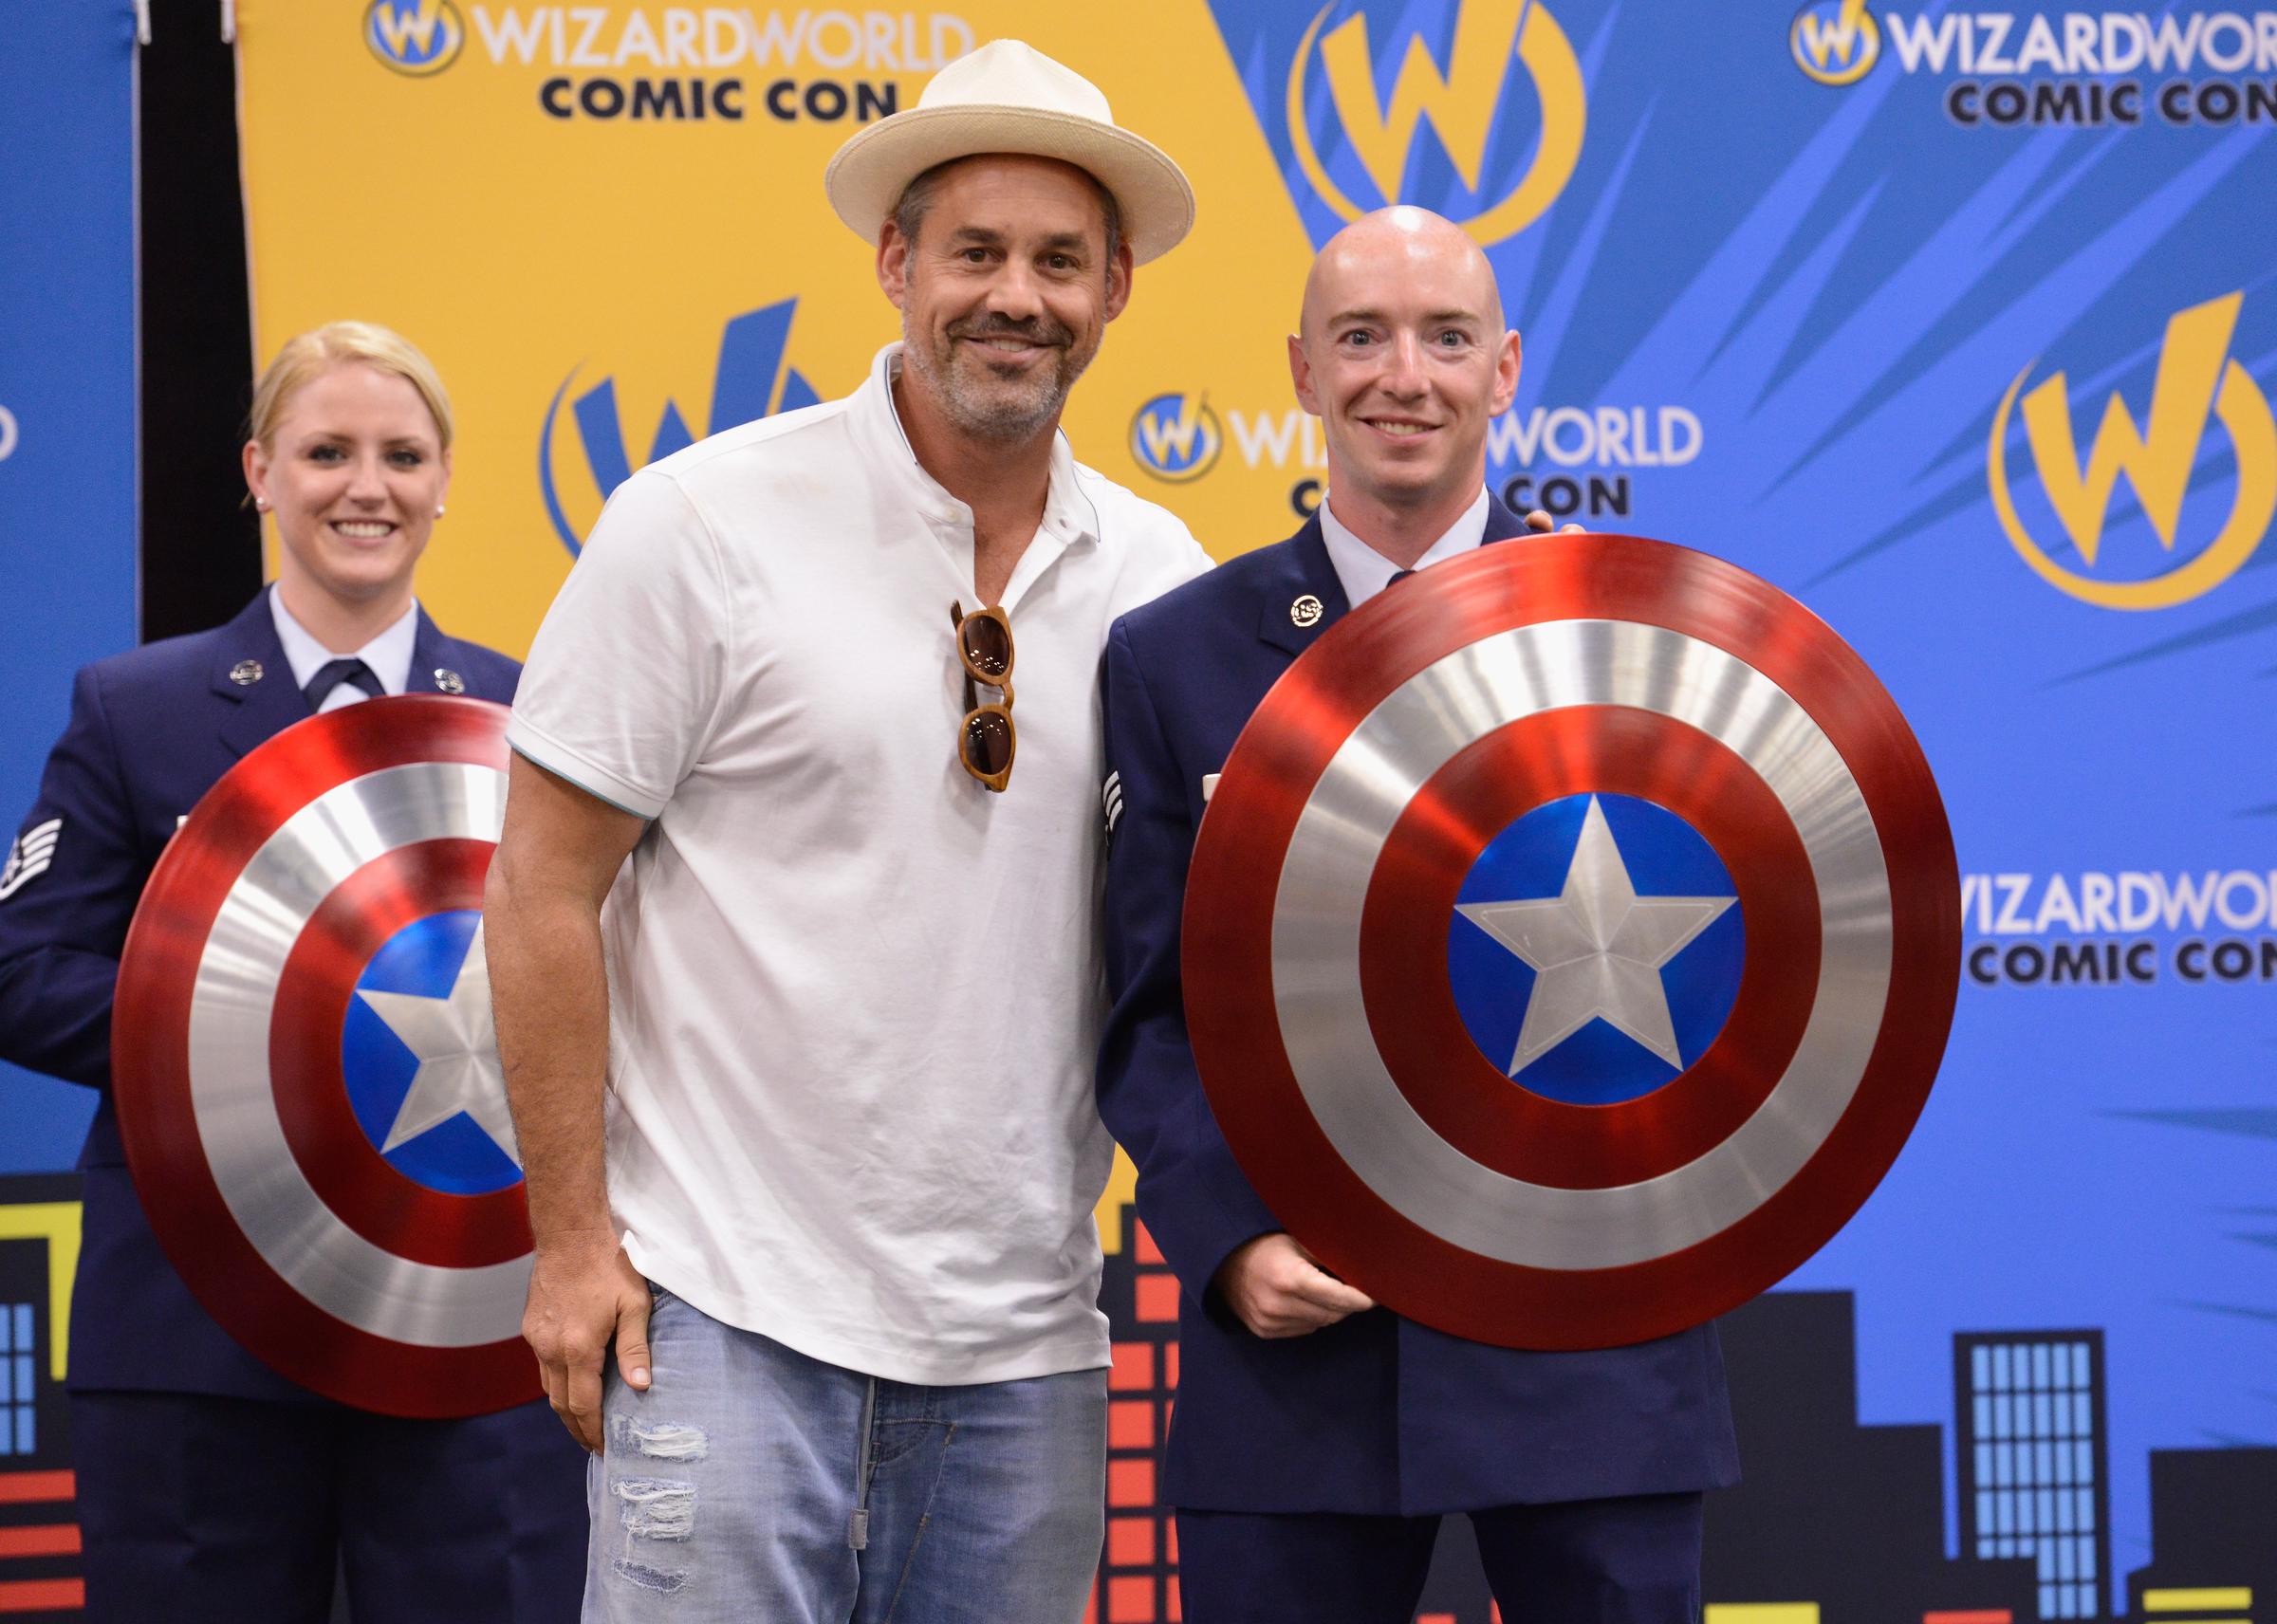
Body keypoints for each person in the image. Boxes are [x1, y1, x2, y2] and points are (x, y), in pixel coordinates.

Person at [481, 40, 1210, 1623]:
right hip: (718, 1319)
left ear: (1114, 291)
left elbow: (1192, 953)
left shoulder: (1163, 578)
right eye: (975, 252)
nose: (1015, 296)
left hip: (1027, 1352)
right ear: (895, 263)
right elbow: (539, 889)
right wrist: (572, 1243)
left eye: (1060, 262)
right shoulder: (699, 523)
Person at [1096, 207, 1741, 1623]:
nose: (1406, 377)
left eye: (1447, 339)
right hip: (1300, 1351)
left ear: (1503, 370)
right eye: (1362, 337)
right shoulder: (1174, 657)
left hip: (1594, 1339)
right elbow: (1148, 1016)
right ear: (1301, 370)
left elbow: (1751, 980)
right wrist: (1228, 1242)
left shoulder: (1633, 639)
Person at [0, 321, 587, 1621]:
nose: (365, 488)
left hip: (466, 1319)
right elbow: (22, 965)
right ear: (260, 473)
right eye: (327, 453)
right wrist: (259, 1050)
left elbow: (618, 972)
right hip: (196, 1327)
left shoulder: (531, 717)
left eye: (402, 456)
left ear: (445, 480)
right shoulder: (136, 707)